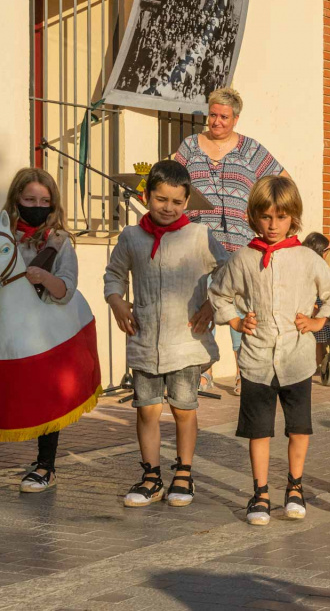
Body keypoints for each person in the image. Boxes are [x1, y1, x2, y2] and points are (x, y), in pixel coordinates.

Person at [209, 176, 330, 525]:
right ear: (255, 217)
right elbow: (219, 294)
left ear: (293, 217)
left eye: (281, 217)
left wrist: (319, 322)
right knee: (259, 429)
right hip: (256, 359)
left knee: (298, 427)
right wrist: (237, 322)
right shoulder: (242, 258)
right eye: (266, 217)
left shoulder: (305, 257)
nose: (273, 225)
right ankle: (260, 493)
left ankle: (295, 487)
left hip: (296, 358)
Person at [103, 161, 229, 508]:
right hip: (145, 341)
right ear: (146, 196)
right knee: (146, 410)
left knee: (184, 409)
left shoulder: (199, 236)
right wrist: (116, 301)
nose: (168, 208)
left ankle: (184, 474)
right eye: (161, 199)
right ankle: (151, 475)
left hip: (186, 343)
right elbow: (113, 274)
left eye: (176, 201)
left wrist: (212, 304)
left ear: (186, 201)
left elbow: (228, 273)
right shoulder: (131, 237)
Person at [0, 168, 86, 495]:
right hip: (0, 332)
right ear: (16, 199)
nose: (37, 205)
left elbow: (67, 290)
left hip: (44, 332)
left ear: (53, 203)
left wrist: (44, 278)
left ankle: (46, 465)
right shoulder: (0, 235)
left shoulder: (58, 242)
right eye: (30, 198)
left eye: (44, 200)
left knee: (47, 397)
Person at [174, 87, 290, 396]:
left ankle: (244, 372)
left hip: (239, 243)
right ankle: (203, 370)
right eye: (212, 115)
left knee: (240, 307)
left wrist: (267, 216)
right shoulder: (189, 147)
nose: (216, 122)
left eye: (224, 116)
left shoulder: (251, 150)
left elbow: (283, 181)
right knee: (199, 304)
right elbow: (169, 180)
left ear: (235, 119)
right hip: (197, 242)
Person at [302, 232, 330, 370]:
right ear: (323, 253)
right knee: (318, 339)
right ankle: (317, 365)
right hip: (313, 306)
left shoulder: (303, 263)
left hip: (310, 307)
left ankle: (318, 363)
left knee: (318, 339)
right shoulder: (318, 266)